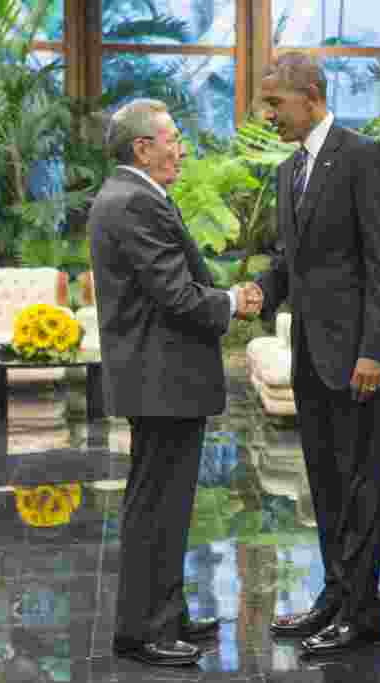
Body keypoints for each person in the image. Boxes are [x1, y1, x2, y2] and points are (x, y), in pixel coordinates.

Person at [88, 98, 262, 667]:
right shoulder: (133, 201)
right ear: (142, 148)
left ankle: (166, 614)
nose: (180, 148)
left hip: (161, 378)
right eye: (172, 139)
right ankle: (143, 632)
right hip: (160, 377)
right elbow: (177, 295)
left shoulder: (131, 196)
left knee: (163, 504)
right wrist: (235, 301)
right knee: (157, 506)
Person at [246, 52, 380, 655]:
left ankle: (362, 615)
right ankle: (336, 595)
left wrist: (374, 351)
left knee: (362, 483)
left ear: (310, 96)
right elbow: (292, 262)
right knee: (326, 482)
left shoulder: (364, 157)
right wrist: (260, 291)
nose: (269, 115)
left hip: (357, 360)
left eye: (275, 103)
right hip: (311, 353)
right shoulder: (292, 170)